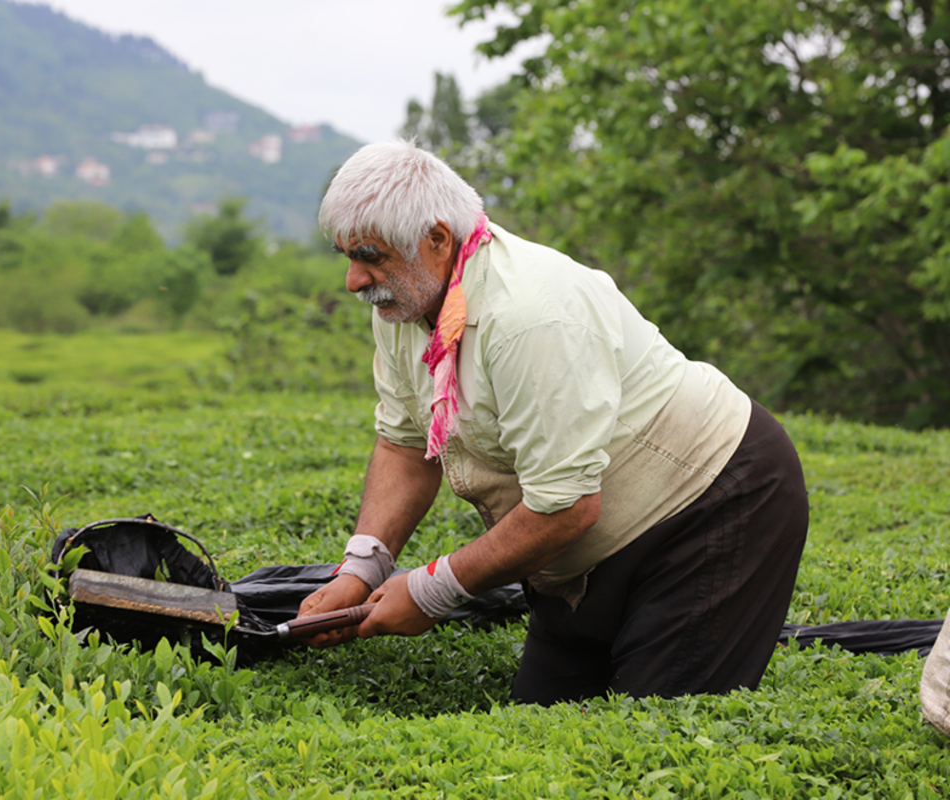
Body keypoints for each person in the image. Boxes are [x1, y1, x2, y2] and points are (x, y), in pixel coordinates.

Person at [297, 140, 809, 705]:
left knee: (650, 741)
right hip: (578, 558)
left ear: (437, 240)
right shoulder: (405, 303)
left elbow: (565, 505)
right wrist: (361, 570)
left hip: (710, 506)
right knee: (542, 724)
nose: (354, 280)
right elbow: (404, 443)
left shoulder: (529, 316)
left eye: (370, 256)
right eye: (347, 256)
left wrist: (429, 590)